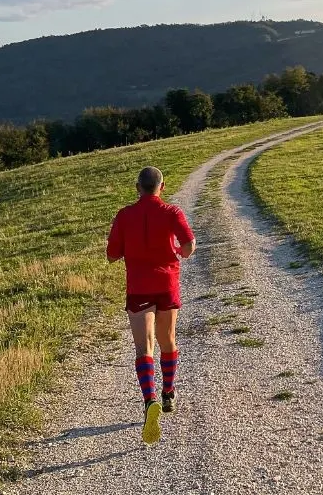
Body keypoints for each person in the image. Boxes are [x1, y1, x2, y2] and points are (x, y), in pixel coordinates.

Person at [106, 166, 196, 445]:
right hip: (167, 285)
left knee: (144, 348)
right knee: (168, 341)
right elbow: (189, 243)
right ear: (162, 186)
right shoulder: (172, 213)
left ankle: (150, 400)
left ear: (137, 187)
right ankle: (168, 393)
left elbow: (111, 255)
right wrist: (180, 253)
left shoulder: (124, 215)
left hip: (139, 289)